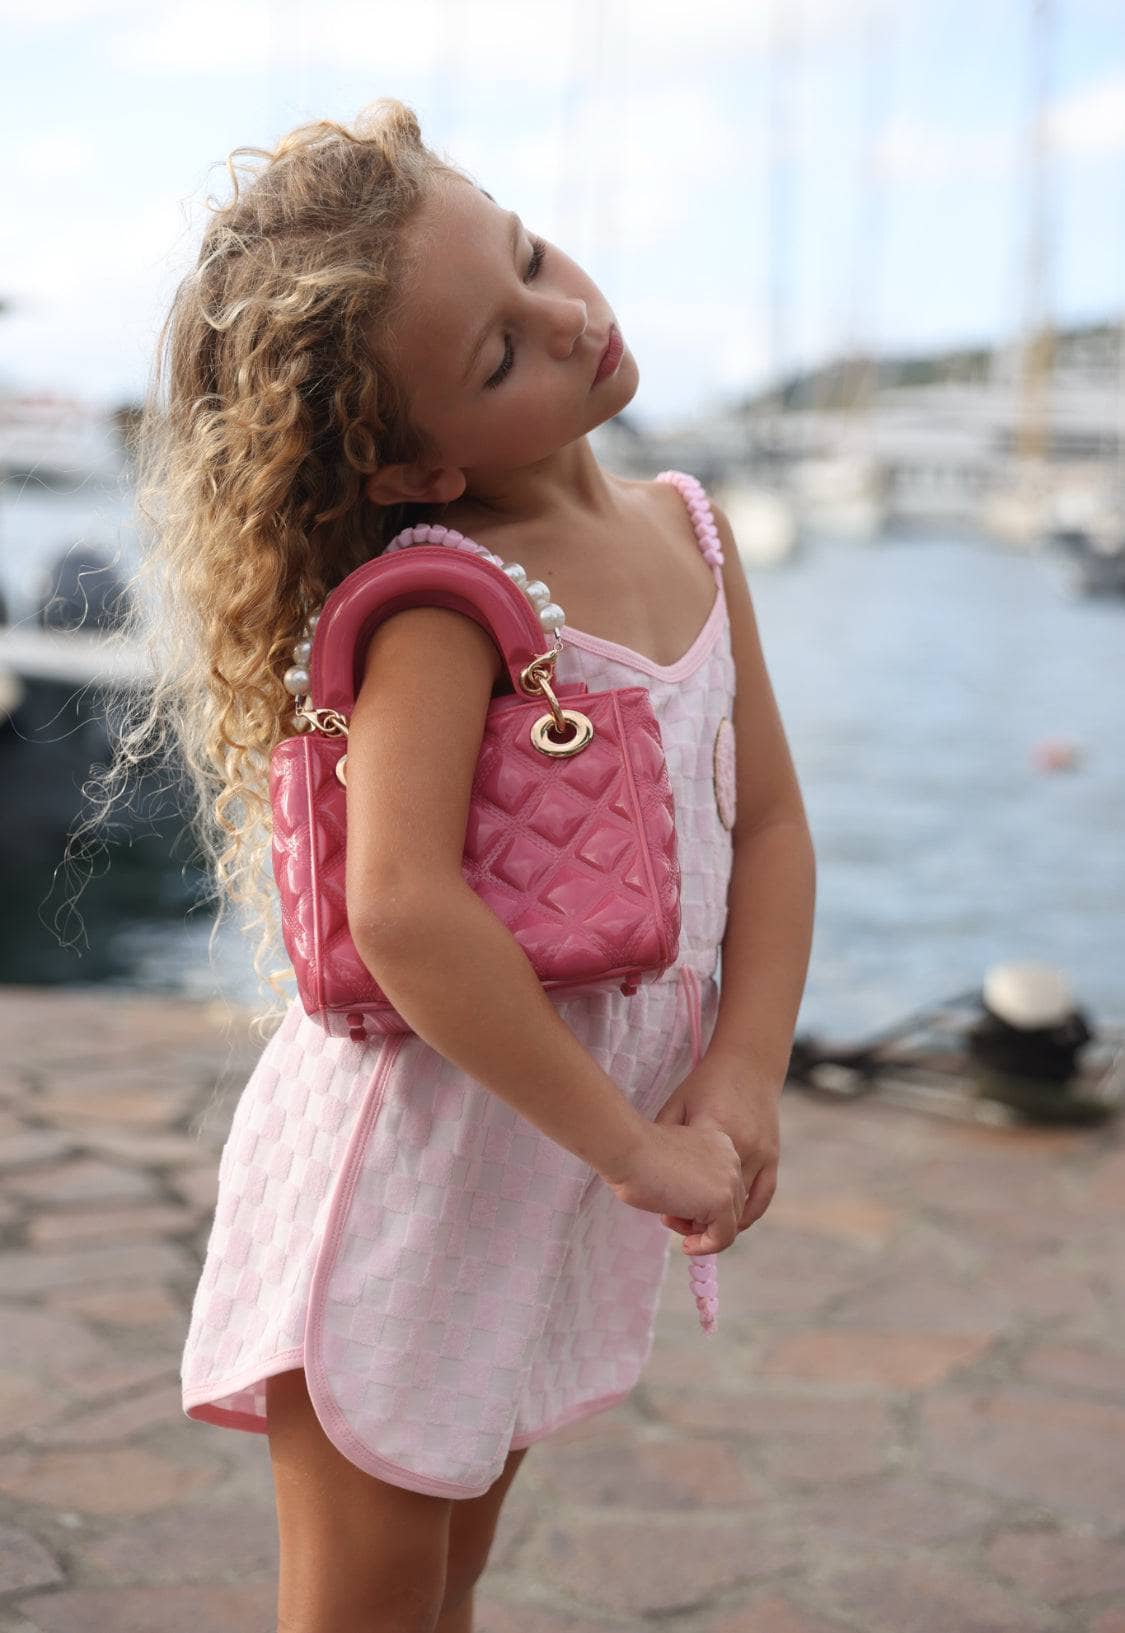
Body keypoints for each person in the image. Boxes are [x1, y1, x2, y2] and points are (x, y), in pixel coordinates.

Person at [116, 97, 815, 1633]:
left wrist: (744, 1068)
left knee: (452, 1579)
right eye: (500, 353)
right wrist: (631, 1149)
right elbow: (402, 908)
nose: (565, 318)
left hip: (540, 1172)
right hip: (411, 1178)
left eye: (532, 257)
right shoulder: (445, 600)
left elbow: (765, 822)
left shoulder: (689, 531)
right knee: (366, 1603)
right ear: (405, 465)